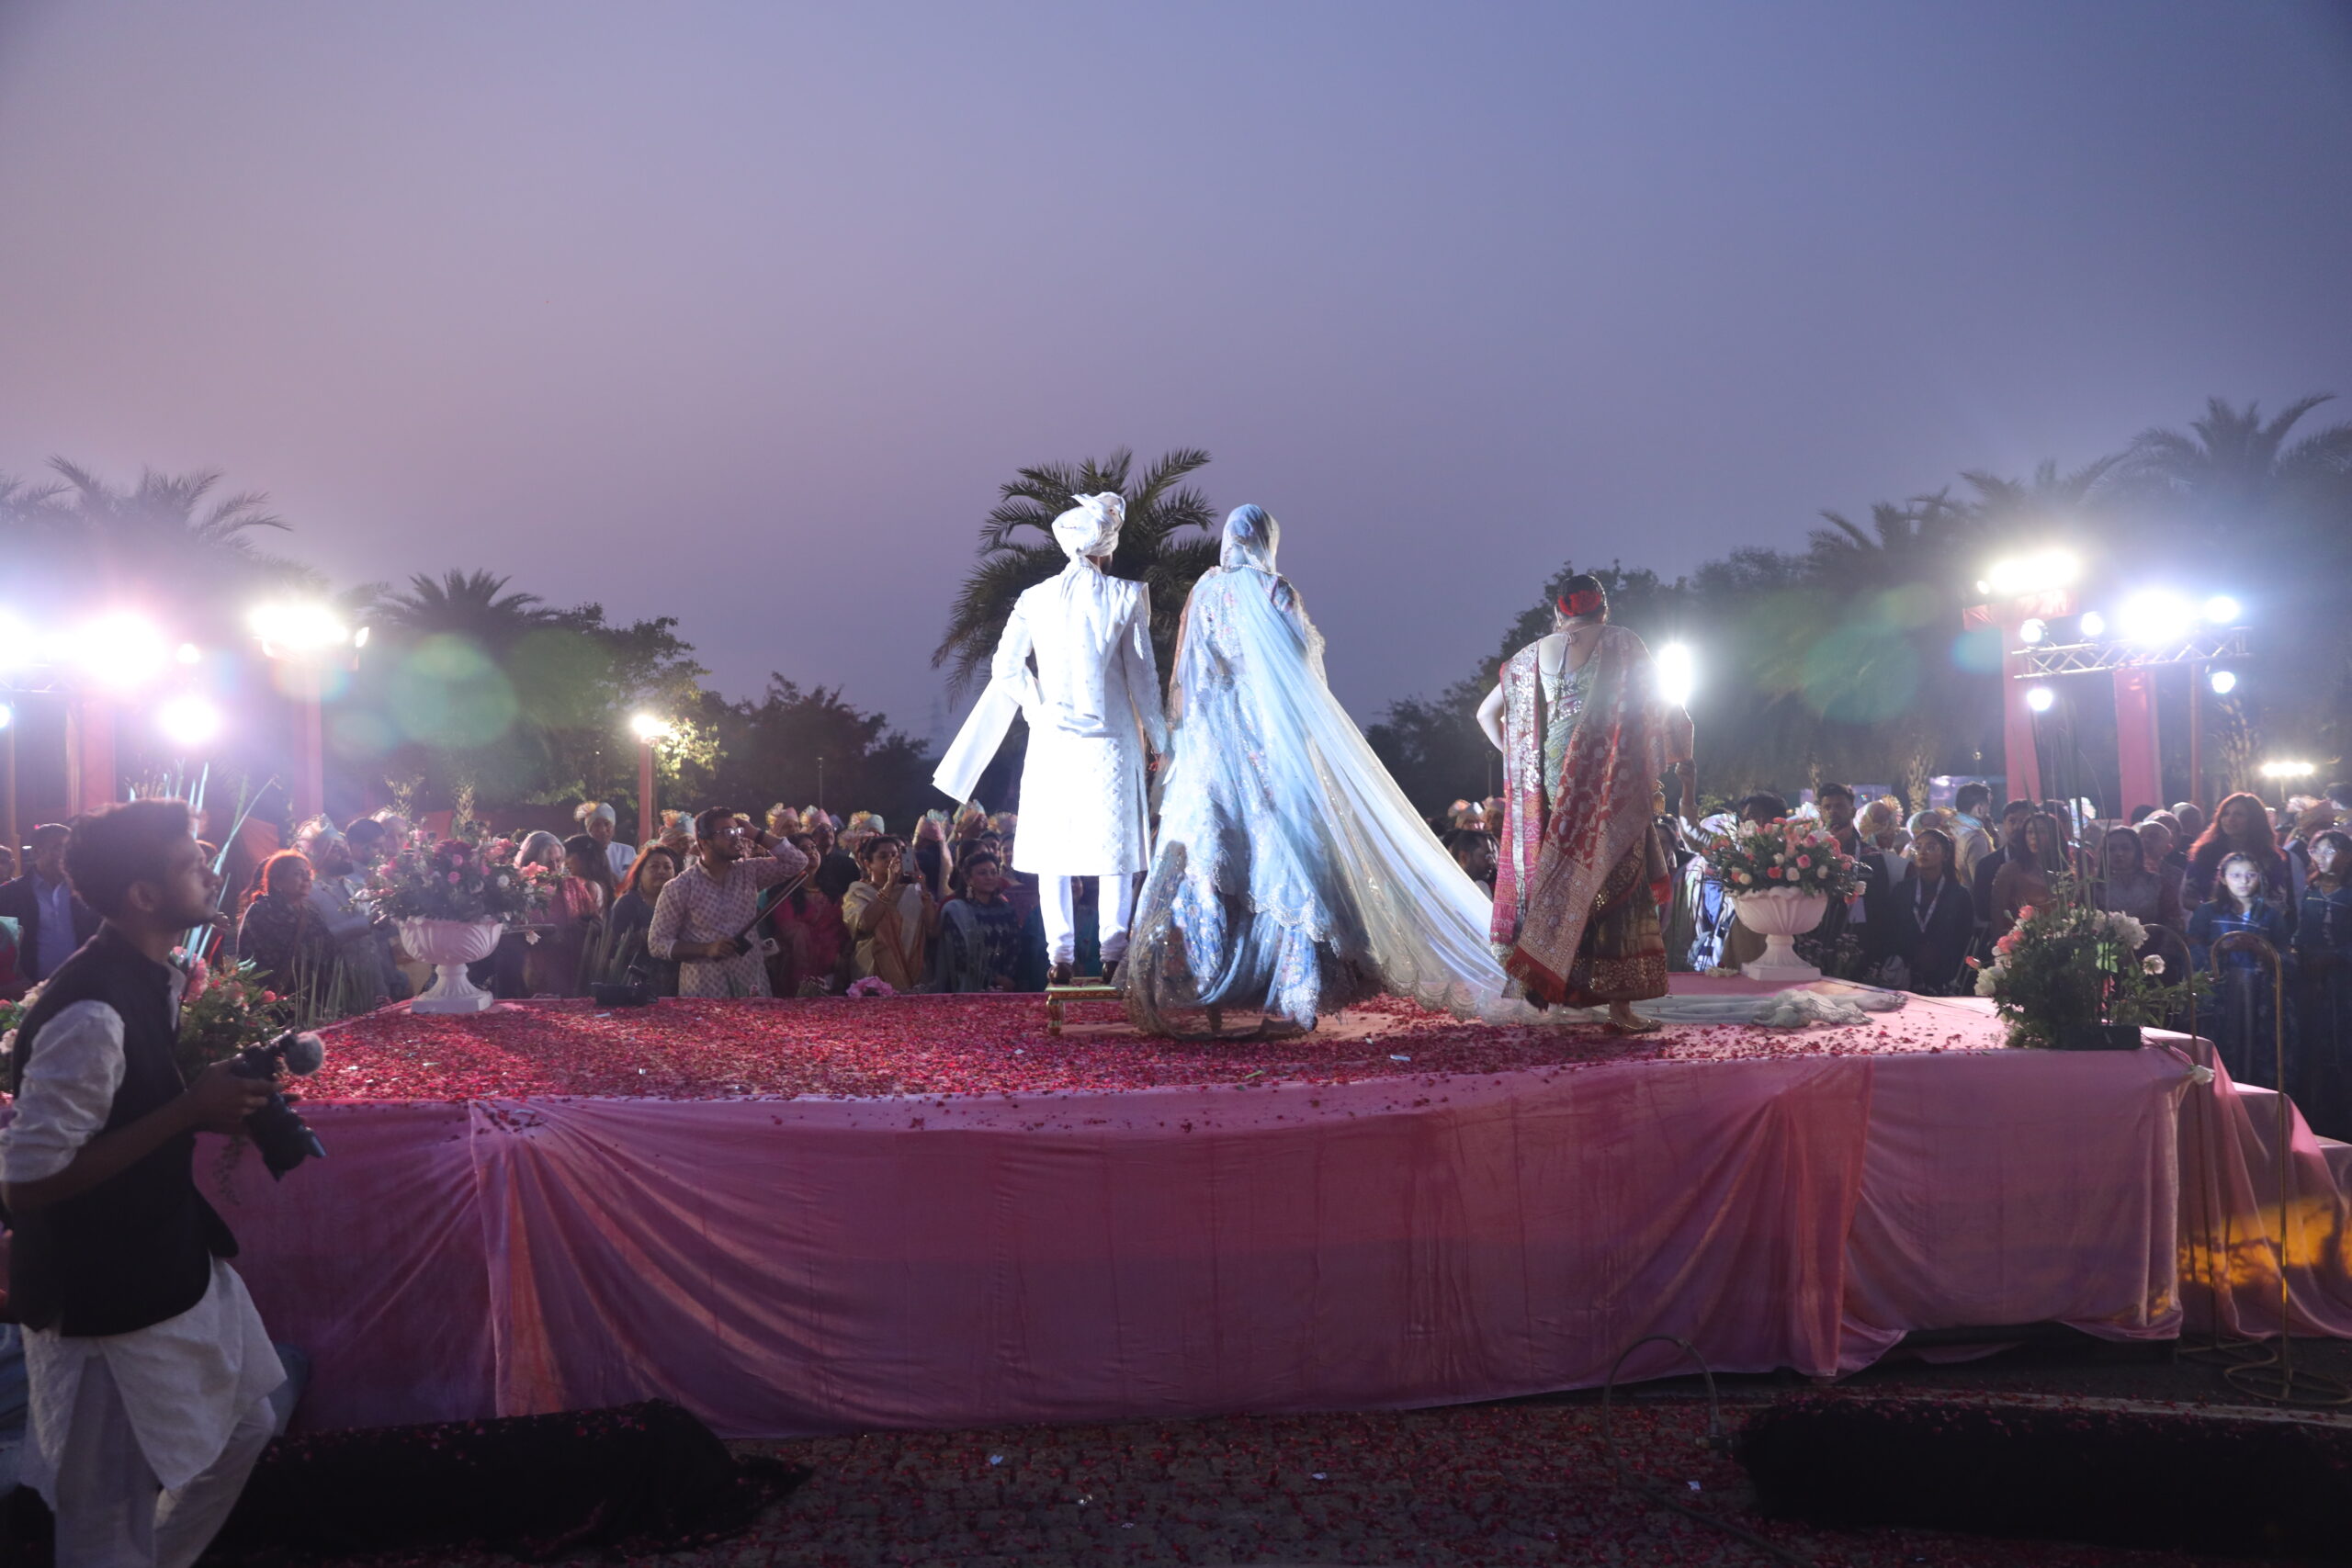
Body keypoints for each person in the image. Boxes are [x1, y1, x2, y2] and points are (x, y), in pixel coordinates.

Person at [1, 799, 285, 1567]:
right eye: (192, 862)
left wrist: (204, 1100)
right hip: (101, 1294)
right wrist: (189, 1109)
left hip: (169, 1259)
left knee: (246, 1426)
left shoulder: (151, 976)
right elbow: (25, 1184)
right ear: (144, 895)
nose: (212, 871)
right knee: (103, 1513)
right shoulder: (91, 1009)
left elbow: (126, 1112)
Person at [1126, 504, 1519, 1034]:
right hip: (1268, 737)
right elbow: (1302, 668)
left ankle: (1204, 980)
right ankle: (1294, 994)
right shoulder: (1274, 590)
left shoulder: (1206, 592)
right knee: (1285, 850)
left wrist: (1181, 736)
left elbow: (1190, 670)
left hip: (1213, 738)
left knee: (1217, 847)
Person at [935, 491, 1168, 986]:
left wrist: (1038, 708)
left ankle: (1058, 957)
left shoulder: (1033, 598)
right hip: (1111, 739)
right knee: (1116, 849)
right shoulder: (1126, 596)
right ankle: (1113, 953)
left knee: (1055, 848)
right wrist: (1165, 741)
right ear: (1106, 548)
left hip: (1052, 739)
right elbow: (1144, 679)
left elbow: (1005, 668)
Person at [1477, 572, 1696, 1030]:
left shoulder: (1528, 657)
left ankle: (1555, 992)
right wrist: (1674, 754)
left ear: (1557, 613)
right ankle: (1621, 1008)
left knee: (1558, 882)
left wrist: (1520, 760)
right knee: (1618, 883)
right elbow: (1664, 710)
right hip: (1606, 781)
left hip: (1549, 783)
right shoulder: (1622, 642)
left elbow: (1485, 714)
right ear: (1604, 609)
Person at [647, 807, 811, 998]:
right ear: (704, 841)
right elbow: (657, 944)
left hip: (752, 987)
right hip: (705, 993)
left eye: (738, 831)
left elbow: (798, 862)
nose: (737, 838)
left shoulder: (749, 871)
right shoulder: (679, 887)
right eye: (727, 833)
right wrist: (706, 949)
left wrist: (755, 834)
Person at [2189, 852, 2294, 1088]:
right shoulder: (2208, 912)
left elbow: (2286, 957)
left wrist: (2261, 950)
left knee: (2258, 1043)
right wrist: (2219, 950)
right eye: (2236, 875)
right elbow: (2193, 949)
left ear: (2260, 878)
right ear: (2223, 878)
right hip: (2221, 990)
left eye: (2251, 875)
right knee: (2222, 1040)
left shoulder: (2270, 915)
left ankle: (2255, 1091)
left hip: (2259, 991)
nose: (2244, 881)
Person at [2293, 829, 2352, 1138]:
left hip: (2344, 980)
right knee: (2314, 1042)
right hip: (2312, 978)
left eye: (2331, 851)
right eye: (2317, 851)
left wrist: (2336, 956)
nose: (2322, 857)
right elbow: (2301, 932)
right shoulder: (2310, 890)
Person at [928, 848, 1046, 993]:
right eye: (982, 873)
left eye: (993, 872)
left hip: (1007, 986)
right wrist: (995, 978)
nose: (989, 877)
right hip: (969, 986)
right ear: (969, 879)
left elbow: (1015, 947)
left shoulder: (1006, 909)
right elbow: (959, 955)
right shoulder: (956, 910)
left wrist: (1007, 978)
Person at [0, 825, 102, 986]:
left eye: (70, 849)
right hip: (29, 991)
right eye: (57, 848)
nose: (66, 855)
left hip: (85, 986)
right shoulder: (9, 895)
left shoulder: (87, 892)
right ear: (35, 852)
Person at [2186, 791, 2295, 932]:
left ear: (2254, 820)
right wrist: (2218, 912)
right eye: (2225, 814)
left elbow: (2279, 901)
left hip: (2257, 930)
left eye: (2238, 814)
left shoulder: (2270, 857)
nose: (2230, 819)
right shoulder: (2205, 854)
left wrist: (2247, 915)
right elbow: (2188, 896)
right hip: (2212, 929)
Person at [1886, 825, 1973, 995]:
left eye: (1931, 847)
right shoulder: (1902, 890)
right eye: (1918, 847)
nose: (1922, 852)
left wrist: (1938, 953)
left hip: (1943, 974)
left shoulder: (1960, 894)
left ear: (1946, 855)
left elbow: (1963, 938)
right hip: (1904, 970)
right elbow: (1890, 929)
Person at [842, 834, 935, 991]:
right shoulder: (858, 891)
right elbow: (865, 925)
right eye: (883, 856)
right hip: (872, 972)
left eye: (894, 855)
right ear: (868, 864)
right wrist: (889, 884)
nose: (891, 860)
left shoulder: (913, 892)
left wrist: (923, 886)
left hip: (913, 969)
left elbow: (933, 930)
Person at [767, 832, 850, 997]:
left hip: (836, 965)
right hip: (797, 967)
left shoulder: (833, 891)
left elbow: (843, 928)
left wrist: (840, 956)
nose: (811, 852)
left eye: (813, 847)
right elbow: (790, 932)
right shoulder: (782, 894)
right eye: (803, 849)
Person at [234, 851, 330, 991]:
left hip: (309, 992)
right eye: (298, 873)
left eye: (308, 873)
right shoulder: (261, 911)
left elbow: (327, 947)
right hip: (271, 994)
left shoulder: (310, 913)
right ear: (277, 882)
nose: (306, 878)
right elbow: (261, 959)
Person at [605, 845, 680, 997]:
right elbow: (613, 946)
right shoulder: (627, 903)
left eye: (667, 867)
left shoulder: (680, 904)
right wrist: (644, 936)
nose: (661, 871)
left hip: (676, 982)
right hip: (634, 982)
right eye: (654, 866)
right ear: (640, 873)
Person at [2093, 825, 2183, 934]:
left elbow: (2174, 921)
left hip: (2153, 942)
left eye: (2126, 848)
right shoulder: (2094, 887)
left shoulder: (2158, 883)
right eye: (2111, 849)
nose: (2119, 853)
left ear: (2137, 851)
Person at [1989, 811, 2065, 939]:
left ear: (2054, 835)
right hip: (2021, 943)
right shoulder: (2010, 871)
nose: (2034, 837)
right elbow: (1998, 914)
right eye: (2029, 832)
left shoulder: (2065, 869)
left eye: (2041, 831)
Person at [1971, 799, 2036, 929]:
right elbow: (1982, 911)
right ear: (2004, 823)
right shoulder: (1986, 865)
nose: (2017, 827)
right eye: (2012, 821)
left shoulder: (2046, 862)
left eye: (2023, 821)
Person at [574, 802, 637, 885]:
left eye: (607, 824)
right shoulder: (580, 854)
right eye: (596, 825)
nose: (602, 830)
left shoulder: (628, 852)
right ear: (589, 830)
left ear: (613, 827)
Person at [806, 813, 859, 906]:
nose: (828, 833)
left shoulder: (848, 863)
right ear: (813, 836)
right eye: (823, 830)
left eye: (831, 829)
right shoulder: (809, 864)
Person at [1950, 783, 1996, 881]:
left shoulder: (1948, 826)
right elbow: (1981, 881)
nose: (1989, 810)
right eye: (1988, 805)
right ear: (1979, 808)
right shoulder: (1975, 838)